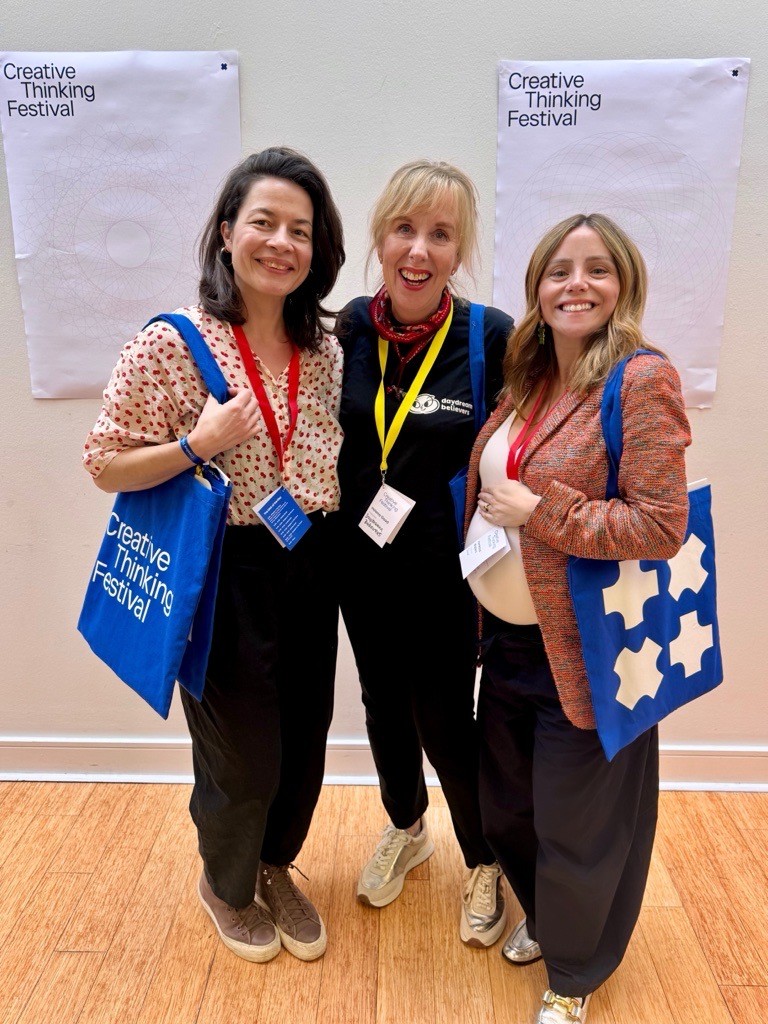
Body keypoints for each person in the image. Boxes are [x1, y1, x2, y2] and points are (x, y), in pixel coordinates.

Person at [83, 147, 345, 964]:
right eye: (263, 222)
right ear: (227, 233)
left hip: (310, 558)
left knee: (305, 736)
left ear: (317, 249)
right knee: (243, 751)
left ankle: (273, 865)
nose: (281, 242)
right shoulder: (172, 342)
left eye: (300, 230)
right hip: (226, 569)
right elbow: (104, 463)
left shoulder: (325, 350)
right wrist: (197, 445)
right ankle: (225, 886)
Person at [464, 213, 691, 1023]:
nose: (577, 284)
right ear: (537, 287)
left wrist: (542, 509)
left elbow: (661, 526)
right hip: (510, 646)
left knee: (578, 823)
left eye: (598, 269)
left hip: (587, 649)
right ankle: (550, 919)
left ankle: (576, 972)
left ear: (623, 283)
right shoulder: (529, 375)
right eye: (560, 270)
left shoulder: (639, 380)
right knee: (508, 810)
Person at [333, 160, 513, 947]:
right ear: (380, 237)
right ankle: (407, 827)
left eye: (441, 234)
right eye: (406, 228)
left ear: (459, 250)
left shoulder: (489, 334)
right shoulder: (347, 328)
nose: (420, 248)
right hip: (360, 563)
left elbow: (523, 442)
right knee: (381, 708)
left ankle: (485, 860)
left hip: (446, 573)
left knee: (444, 718)